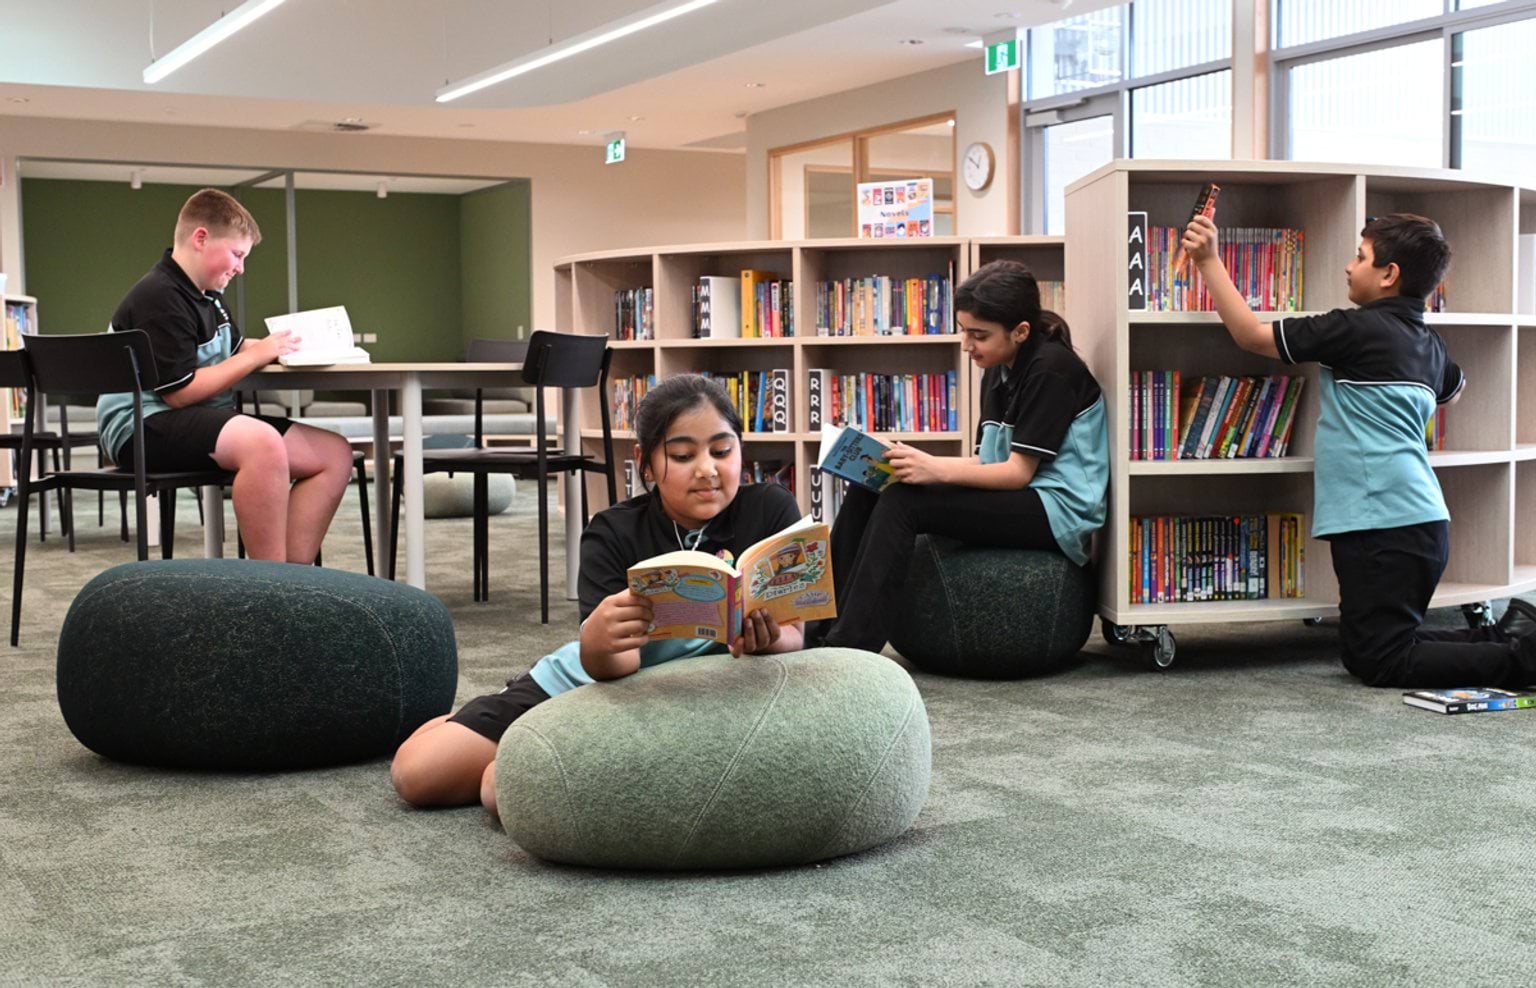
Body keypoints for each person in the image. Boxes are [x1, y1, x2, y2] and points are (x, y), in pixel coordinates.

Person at [391, 374, 805, 814]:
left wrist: (771, 639)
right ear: (646, 464)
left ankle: (509, 751)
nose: (707, 469)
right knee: (418, 777)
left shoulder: (772, 509)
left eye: (722, 451)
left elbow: (797, 635)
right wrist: (602, 643)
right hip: (599, 686)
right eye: (683, 455)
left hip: (693, 697)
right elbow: (609, 667)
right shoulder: (612, 531)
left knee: (506, 789)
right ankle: (459, 720)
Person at [1182, 210, 1536, 687]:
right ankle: (1516, 640)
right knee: (1384, 645)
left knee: (1381, 660)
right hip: (1418, 520)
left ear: (1389, 275)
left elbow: (1251, 335)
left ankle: (1523, 659)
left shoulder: (1352, 330)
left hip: (1380, 524)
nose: (1349, 267)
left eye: (1360, 256)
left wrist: (1208, 260)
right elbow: (1456, 387)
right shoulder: (1428, 343)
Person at [806, 259, 1109, 654]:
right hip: (1025, 495)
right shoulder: (998, 367)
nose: (967, 345)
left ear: (1020, 331)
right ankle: (815, 633)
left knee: (903, 502)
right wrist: (909, 462)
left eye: (979, 335)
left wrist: (933, 469)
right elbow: (987, 461)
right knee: (875, 484)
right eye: (965, 331)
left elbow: (1017, 473)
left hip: (1058, 511)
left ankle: (851, 649)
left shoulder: (1051, 370)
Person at [96, 188, 355, 564]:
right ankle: (272, 587)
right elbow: (180, 392)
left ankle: (296, 582)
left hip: (192, 417)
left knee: (335, 453)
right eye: (237, 254)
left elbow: (234, 349)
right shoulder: (159, 296)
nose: (241, 268)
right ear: (201, 238)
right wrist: (259, 355)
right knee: (262, 443)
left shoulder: (208, 296)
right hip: (140, 425)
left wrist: (284, 346)